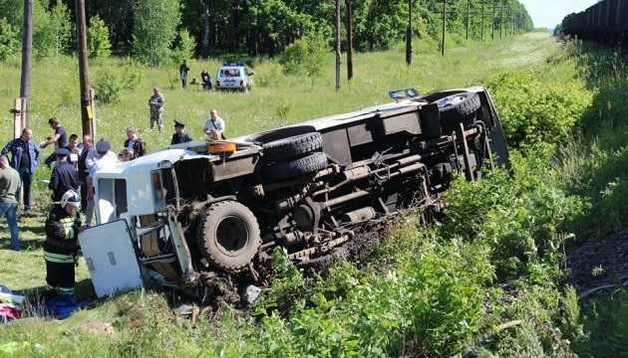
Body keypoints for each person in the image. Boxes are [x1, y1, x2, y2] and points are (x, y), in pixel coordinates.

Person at [44, 189, 81, 297]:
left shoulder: (75, 214)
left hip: (68, 255)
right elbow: (58, 233)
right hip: (54, 255)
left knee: (67, 286)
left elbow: (77, 226)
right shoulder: (54, 214)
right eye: (71, 206)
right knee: (53, 283)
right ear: (64, 203)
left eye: (76, 206)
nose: (74, 209)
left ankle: (65, 303)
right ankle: (47, 302)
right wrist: (78, 231)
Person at [1, 128, 40, 212]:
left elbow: (38, 153)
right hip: (17, 170)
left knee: (27, 188)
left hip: (28, 170)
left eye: (31, 134)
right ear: (23, 134)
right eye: (29, 134)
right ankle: (15, 207)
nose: (31, 136)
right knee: (16, 189)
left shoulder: (32, 143)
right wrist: (7, 164)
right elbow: (4, 152)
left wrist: (35, 164)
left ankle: (27, 207)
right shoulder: (14, 143)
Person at [85, 139, 118, 226]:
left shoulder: (105, 160)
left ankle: (95, 223)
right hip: (102, 184)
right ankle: (90, 222)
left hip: (102, 185)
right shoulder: (111, 157)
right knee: (97, 205)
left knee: (100, 205)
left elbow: (90, 177)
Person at [0, 156, 21, 251]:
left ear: (2, 161)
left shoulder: (2, 172)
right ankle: (15, 246)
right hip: (13, 201)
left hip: (3, 201)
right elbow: (19, 188)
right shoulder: (16, 172)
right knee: (13, 225)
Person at [77, 135, 93, 212]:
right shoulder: (83, 148)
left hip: (87, 173)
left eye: (85, 140)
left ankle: (87, 209)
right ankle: (83, 207)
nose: (83, 142)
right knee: (83, 191)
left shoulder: (91, 150)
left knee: (87, 191)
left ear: (89, 142)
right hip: (81, 173)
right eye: (83, 140)